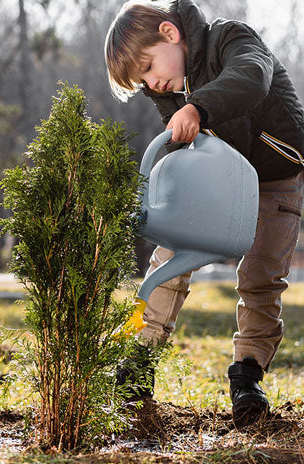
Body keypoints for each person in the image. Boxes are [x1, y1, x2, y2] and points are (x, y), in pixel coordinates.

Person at [104, 0, 304, 426]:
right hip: (218, 183)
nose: (151, 82)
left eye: (148, 66)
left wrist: (197, 107)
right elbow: (181, 151)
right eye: (141, 79)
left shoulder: (229, 38)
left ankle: (247, 379)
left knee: (261, 277)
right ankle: (138, 362)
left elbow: (252, 76)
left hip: (276, 175)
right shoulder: (167, 89)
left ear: (170, 33)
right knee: (170, 259)